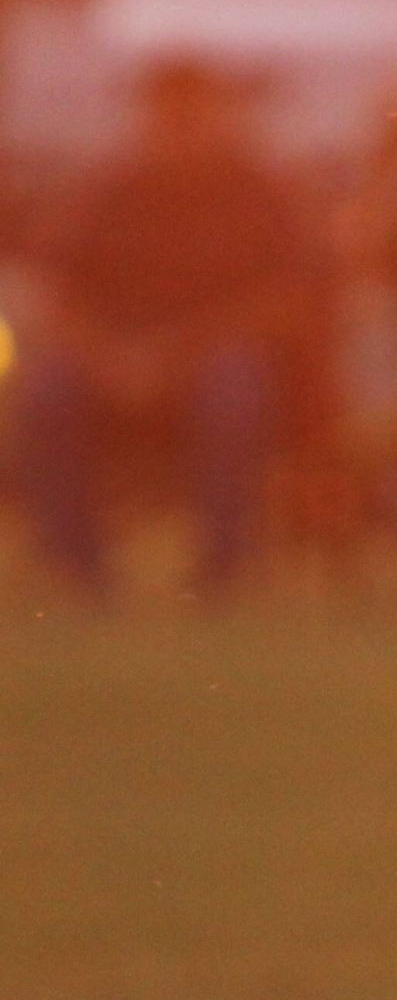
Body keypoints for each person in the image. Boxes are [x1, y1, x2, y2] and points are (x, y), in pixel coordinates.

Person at [14, 57, 312, 599]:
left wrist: (180, 351)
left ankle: (221, 569)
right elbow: (58, 295)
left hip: (212, 363)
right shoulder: (106, 190)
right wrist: (109, 358)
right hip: (111, 366)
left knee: (235, 388)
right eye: (166, 115)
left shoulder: (257, 191)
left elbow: (289, 298)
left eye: (191, 115)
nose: (178, 130)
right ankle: (78, 568)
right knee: (47, 392)